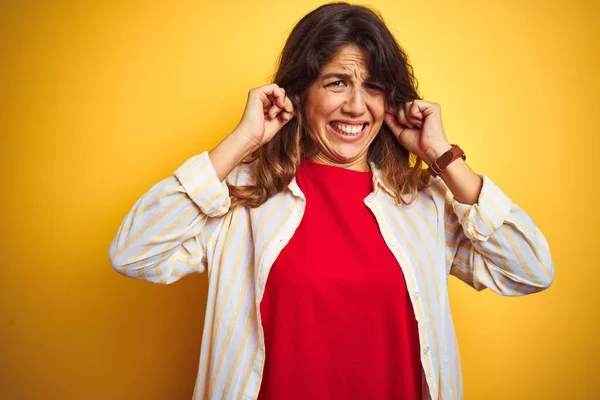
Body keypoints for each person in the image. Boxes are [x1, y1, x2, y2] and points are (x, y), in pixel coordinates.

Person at [108, 2, 554, 399]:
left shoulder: (422, 202)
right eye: (338, 83)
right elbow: (134, 252)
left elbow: (531, 269)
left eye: (374, 87)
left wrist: (443, 157)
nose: (357, 106)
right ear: (300, 94)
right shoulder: (243, 195)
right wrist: (240, 141)